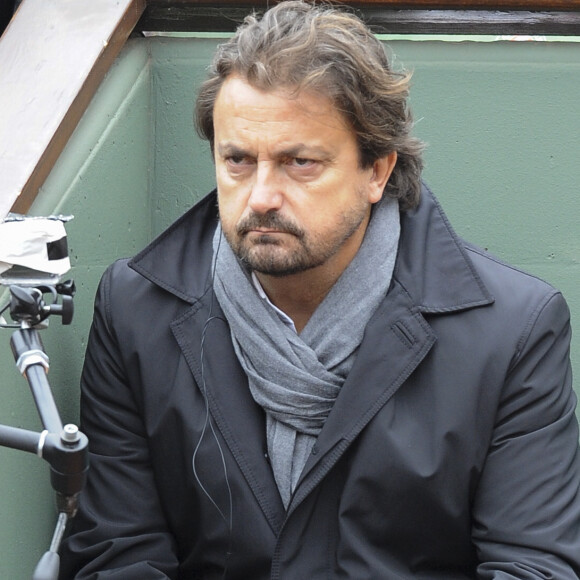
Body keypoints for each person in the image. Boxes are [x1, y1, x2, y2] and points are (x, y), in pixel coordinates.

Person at [60, 1, 580, 578]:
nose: (260, 196)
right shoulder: (138, 309)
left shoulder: (510, 331)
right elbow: (118, 554)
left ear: (377, 170)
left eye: (299, 163)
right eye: (237, 160)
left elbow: (533, 565)